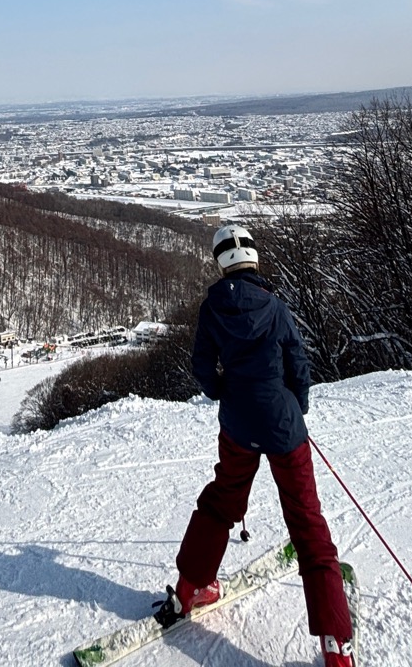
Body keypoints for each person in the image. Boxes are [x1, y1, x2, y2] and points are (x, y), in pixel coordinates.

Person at [163, 224, 355, 667]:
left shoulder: (212, 309)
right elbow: (298, 365)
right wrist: (296, 407)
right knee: (307, 521)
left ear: (220, 262)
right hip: (283, 425)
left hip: (237, 424)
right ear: (253, 259)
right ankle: (335, 645)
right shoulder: (275, 306)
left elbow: (201, 366)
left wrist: (221, 392)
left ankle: (192, 587)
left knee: (221, 501)